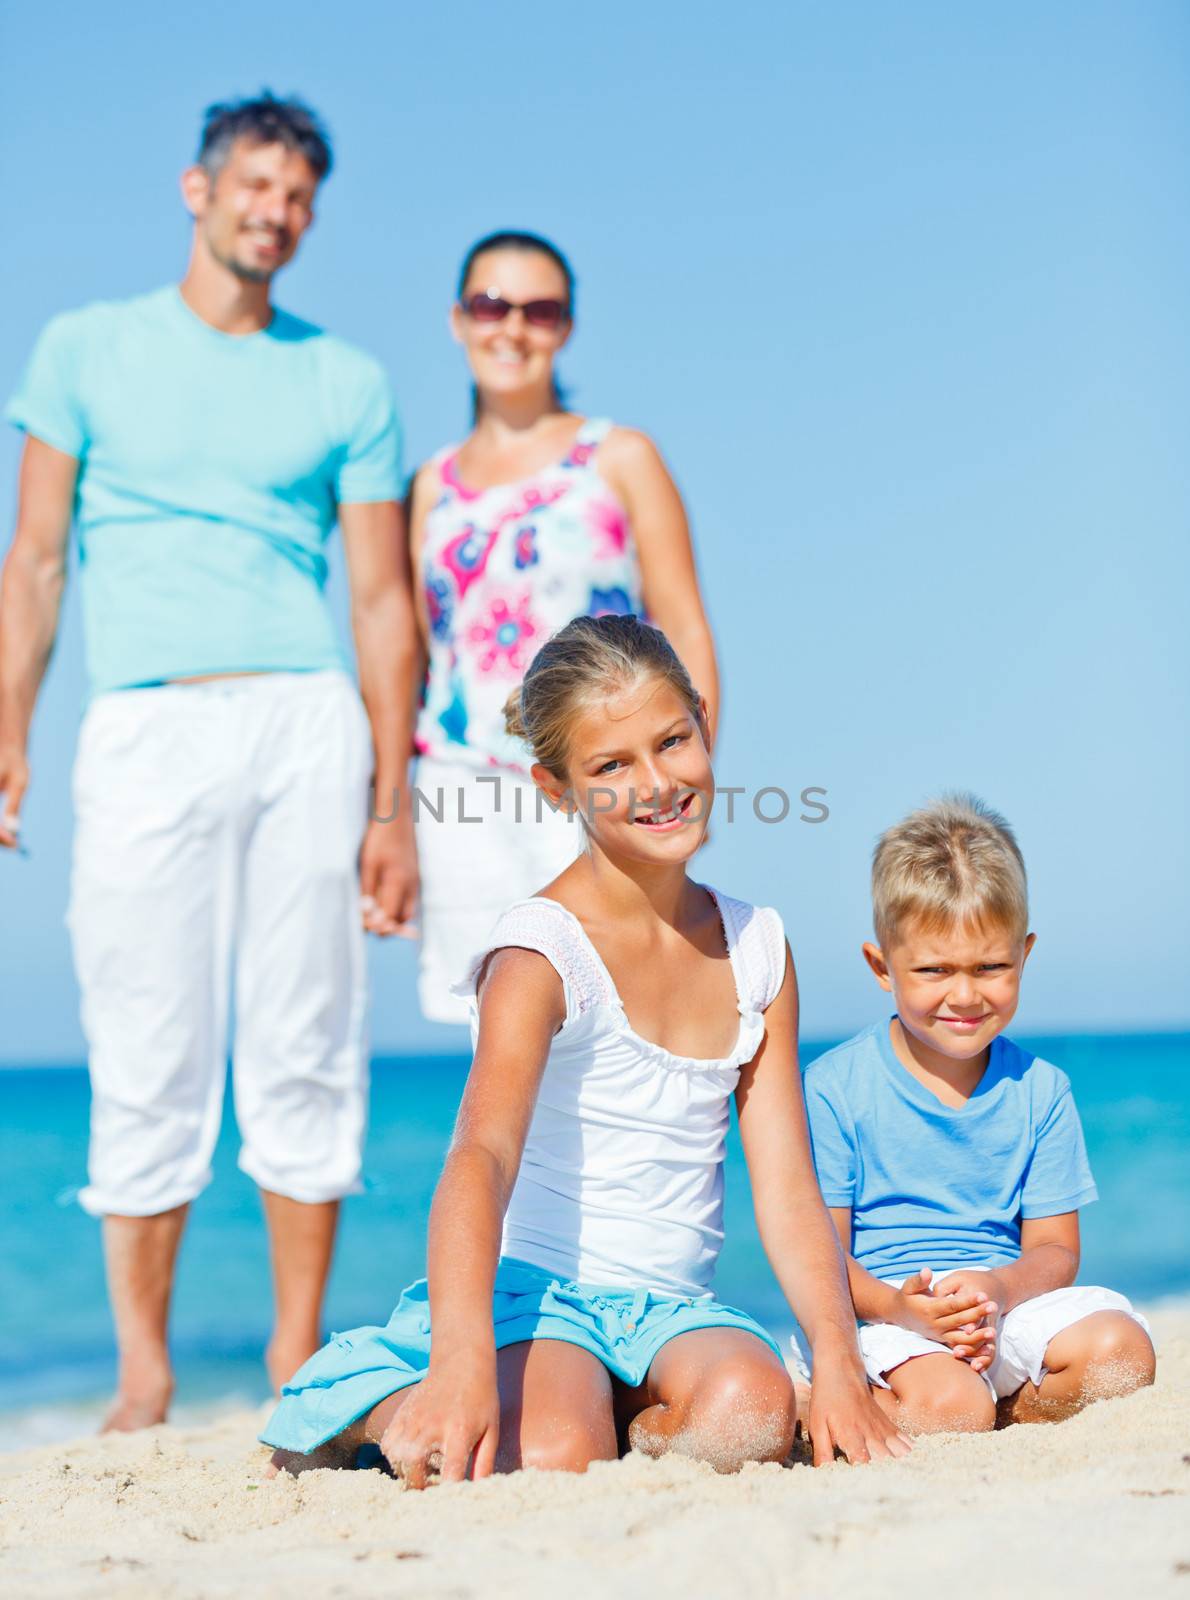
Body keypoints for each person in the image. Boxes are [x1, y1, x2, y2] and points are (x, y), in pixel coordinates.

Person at [0, 93, 421, 1430]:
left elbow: (379, 601)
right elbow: (37, 559)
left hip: (305, 722)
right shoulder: (85, 348)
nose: (273, 213)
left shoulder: (344, 379)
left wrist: (393, 802)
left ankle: (297, 1358)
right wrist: (7, 728)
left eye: (296, 196)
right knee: (145, 1042)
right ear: (197, 189)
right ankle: (143, 1373)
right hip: (141, 723)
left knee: (306, 1037)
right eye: (253, 185)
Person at [262, 615, 907, 1480]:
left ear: (704, 725)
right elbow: (480, 1159)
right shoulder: (541, 952)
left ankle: (621, 1413)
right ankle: (375, 1396)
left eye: (672, 741)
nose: (656, 783)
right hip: (539, 1299)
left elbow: (788, 1185)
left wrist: (837, 1358)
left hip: (673, 1310)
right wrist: (462, 1361)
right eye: (610, 766)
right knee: (556, 1450)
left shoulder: (758, 947)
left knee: (751, 1411)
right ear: (557, 787)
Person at [406, 230, 718, 1024]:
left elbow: (682, 621)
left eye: (539, 310)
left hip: (602, 778)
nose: (512, 327)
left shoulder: (620, 456)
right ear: (458, 320)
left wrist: (691, 781)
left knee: (615, 1007)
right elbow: (419, 650)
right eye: (490, 305)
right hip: (458, 784)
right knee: (496, 1023)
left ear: (566, 327)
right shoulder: (427, 488)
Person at [801, 795, 1156, 1432]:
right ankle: (833, 1397)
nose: (965, 995)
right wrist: (901, 1309)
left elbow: (1053, 1248)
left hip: (1003, 1311)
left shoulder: (1040, 1090)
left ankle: (1003, 1411)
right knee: (952, 1403)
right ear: (882, 966)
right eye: (934, 970)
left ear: (1025, 955)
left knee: (1121, 1353)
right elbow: (819, 1253)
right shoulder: (836, 1086)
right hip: (889, 1323)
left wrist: (998, 1290)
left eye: (991, 967)